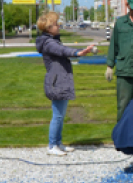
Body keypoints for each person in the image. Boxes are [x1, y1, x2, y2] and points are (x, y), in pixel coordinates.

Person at [36, 11, 96, 156]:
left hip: (60, 80)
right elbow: (62, 51)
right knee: (57, 115)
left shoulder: (52, 40)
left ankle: (58, 143)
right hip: (56, 82)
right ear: (49, 28)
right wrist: (79, 53)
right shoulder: (49, 42)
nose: (58, 26)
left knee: (60, 115)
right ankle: (52, 146)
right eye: (56, 24)